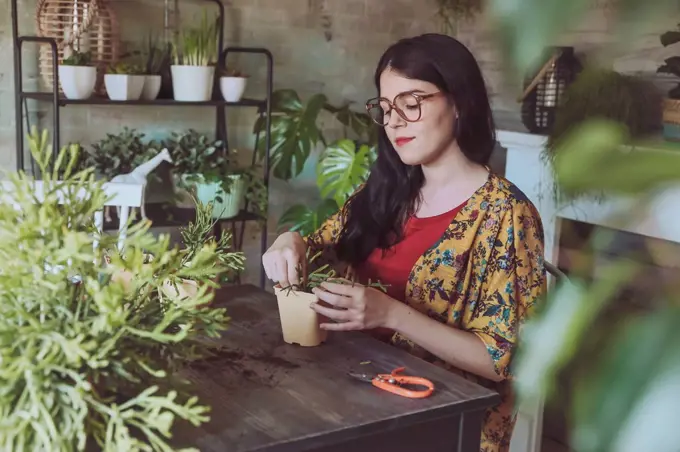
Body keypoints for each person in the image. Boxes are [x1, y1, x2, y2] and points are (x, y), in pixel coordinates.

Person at [262, 33, 546, 452]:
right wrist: (289, 241)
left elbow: (501, 360)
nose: (395, 121)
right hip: (353, 399)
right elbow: (319, 249)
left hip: (441, 423)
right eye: (387, 107)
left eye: (412, 103)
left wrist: (391, 314)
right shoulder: (386, 191)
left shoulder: (505, 214)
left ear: (459, 101)